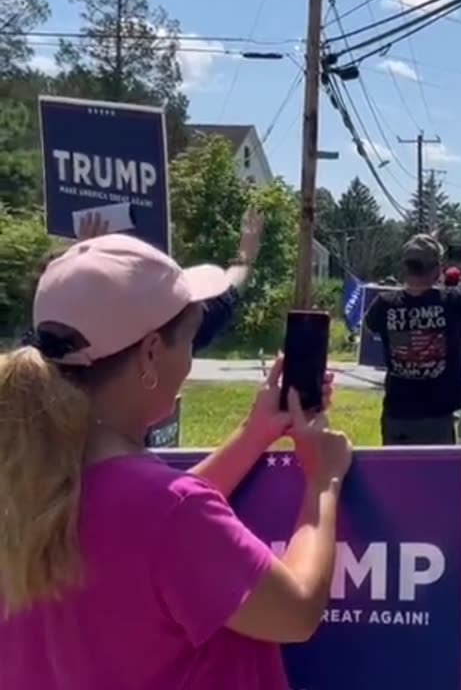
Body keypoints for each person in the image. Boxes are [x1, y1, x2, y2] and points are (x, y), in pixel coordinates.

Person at [0, 233, 353, 690]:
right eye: (189, 342)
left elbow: (145, 525)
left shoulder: (27, 479)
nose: (189, 359)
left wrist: (253, 436)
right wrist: (323, 482)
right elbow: (297, 611)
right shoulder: (168, 512)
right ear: (150, 353)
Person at [364, 234, 461, 445]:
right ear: (438, 270)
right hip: (437, 417)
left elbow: (369, 328)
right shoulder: (451, 301)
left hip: (396, 415)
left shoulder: (384, 304)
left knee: (397, 477)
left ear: (405, 267)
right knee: (436, 477)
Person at [69, 207, 265, 353]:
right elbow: (229, 289)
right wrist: (246, 255)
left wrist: (85, 265)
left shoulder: (89, 341)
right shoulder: (181, 324)